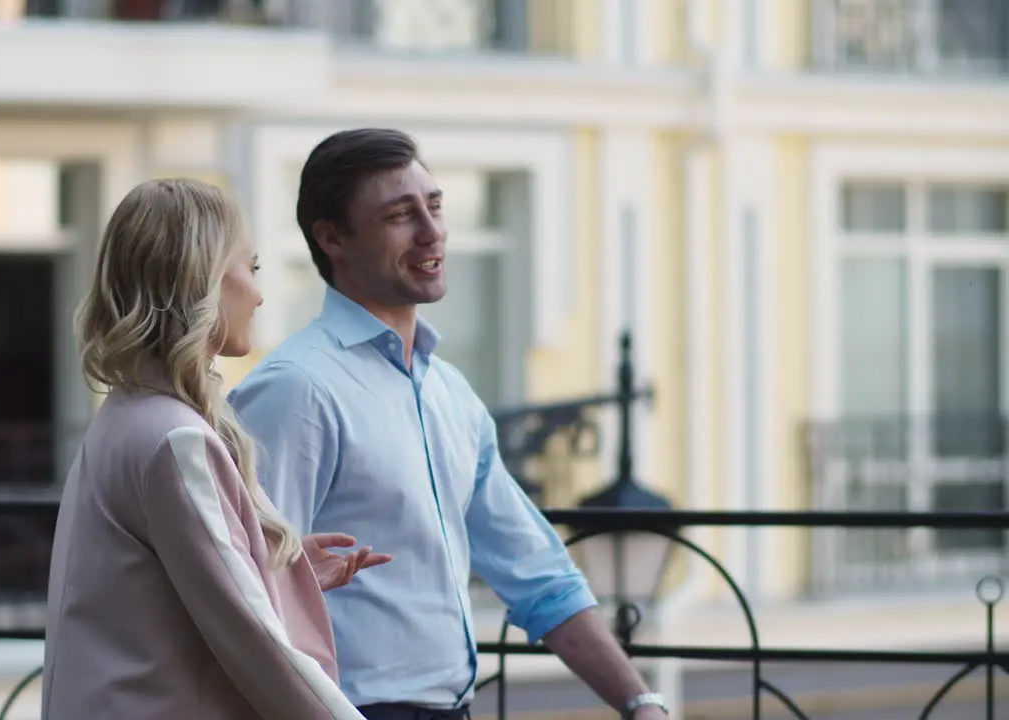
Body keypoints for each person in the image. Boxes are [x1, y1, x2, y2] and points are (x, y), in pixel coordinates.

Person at [228, 129, 671, 720]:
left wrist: (641, 701)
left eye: (434, 206)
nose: (432, 231)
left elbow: (539, 575)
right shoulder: (295, 389)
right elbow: (245, 592)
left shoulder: (449, 393)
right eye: (400, 215)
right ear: (332, 238)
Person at [41, 178, 388, 720]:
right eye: (250, 269)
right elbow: (258, 647)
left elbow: (152, 601)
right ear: (200, 281)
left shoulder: (126, 415)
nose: (259, 293)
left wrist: (275, 568)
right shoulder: (175, 439)